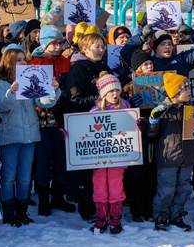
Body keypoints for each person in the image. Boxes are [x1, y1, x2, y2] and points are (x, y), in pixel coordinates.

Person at [0, 47, 60, 227]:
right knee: (8, 177)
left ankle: (22, 212)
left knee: (25, 176)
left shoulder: (30, 80)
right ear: (8, 64)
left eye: (23, 59)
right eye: (18, 60)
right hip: (9, 138)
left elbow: (43, 102)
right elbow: (1, 105)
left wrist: (53, 91)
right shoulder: (0, 85)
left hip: (29, 137)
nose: (22, 63)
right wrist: (12, 92)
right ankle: (9, 213)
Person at [29, 25, 75, 215]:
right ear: (45, 43)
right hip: (42, 118)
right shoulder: (35, 64)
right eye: (53, 43)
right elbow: (31, 94)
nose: (57, 47)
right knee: (44, 159)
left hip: (62, 117)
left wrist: (66, 101)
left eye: (60, 43)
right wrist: (46, 105)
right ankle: (43, 199)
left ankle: (58, 197)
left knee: (61, 158)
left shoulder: (66, 62)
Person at [64, 28, 108, 222]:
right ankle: (87, 209)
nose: (100, 50)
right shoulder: (78, 70)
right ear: (84, 49)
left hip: (104, 126)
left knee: (102, 170)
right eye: (95, 47)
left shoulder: (104, 67)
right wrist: (98, 99)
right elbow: (75, 99)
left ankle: (104, 205)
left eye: (102, 46)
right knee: (87, 172)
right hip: (84, 127)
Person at [148, 73, 194, 232]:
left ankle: (176, 215)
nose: (189, 91)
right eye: (185, 88)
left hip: (187, 156)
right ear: (175, 93)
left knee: (184, 188)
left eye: (189, 87)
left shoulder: (192, 110)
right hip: (168, 157)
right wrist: (153, 122)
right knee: (166, 189)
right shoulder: (163, 111)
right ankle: (161, 216)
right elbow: (151, 134)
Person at [89, 73, 130, 234]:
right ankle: (101, 218)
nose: (114, 94)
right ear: (103, 94)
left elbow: (132, 128)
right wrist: (69, 134)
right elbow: (84, 131)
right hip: (99, 158)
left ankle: (115, 218)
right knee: (99, 186)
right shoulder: (94, 111)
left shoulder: (126, 108)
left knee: (116, 186)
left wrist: (140, 124)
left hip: (118, 157)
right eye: (110, 91)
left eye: (117, 91)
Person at [124, 49, 158, 222]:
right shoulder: (129, 87)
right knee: (136, 176)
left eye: (151, 63)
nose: (149, 66)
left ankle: (148, 209)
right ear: (137, 68)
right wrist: (130, 105)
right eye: (145, 64)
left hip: (153, 136)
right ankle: (137, 211)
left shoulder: (160, 83)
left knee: (151, 176)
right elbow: (120, 111)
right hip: (136, 138)